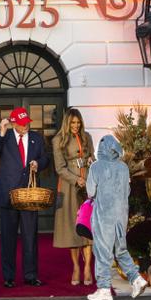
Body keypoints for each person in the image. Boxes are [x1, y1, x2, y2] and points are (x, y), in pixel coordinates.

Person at [0, 106, 51, 287]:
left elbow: (46, 159)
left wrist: (38, 163)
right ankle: (9, 277)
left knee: (30, 238)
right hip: (8, 196)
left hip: (29, 196)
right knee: (8, 239)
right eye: (22, 124)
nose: (26, 127)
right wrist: (1, 132)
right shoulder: (5, 138)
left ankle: (30, 275)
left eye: (27, 123)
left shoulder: (37, 139)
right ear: (13, 123)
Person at [85, 134, 149, 300]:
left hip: (104, 215)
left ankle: (104, 288)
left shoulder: (96, 167)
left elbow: (90, 192)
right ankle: (136, 279)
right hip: (121, 214)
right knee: (120, 250)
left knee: (102, 251)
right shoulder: (123, 167)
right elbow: (127, 191)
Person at [52, 108, 94, 287]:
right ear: (67, 123)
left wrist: (91, 163)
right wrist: (76, 179)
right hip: (69, 187)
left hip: (89, 184)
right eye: (73, 123)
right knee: (72, 226)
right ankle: (76, 267)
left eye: (78, 123)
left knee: (88, 224)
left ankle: (87, 269)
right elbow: (60, 168)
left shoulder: (87, 137)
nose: (76, 126)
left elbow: (92, 156)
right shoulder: (58, 140)